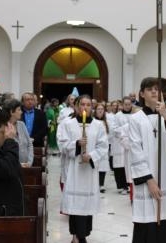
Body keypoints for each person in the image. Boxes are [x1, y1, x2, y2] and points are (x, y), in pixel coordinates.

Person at [129, 77, 166, 243]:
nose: (154, 91)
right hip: (148, 179)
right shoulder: (136, 119)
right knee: (148, 221)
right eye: (149, 89)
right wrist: (149, 180)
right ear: (142, 94)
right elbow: (135, 151)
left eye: (156, 89)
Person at [57, 95, 108, 243]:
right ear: (76, 106)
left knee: (86, 205)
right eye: (82, 104)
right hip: (74, 171)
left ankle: (82, 233)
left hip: (89, 172)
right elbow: (62, 144)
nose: (84, 107)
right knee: (75, 205)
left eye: (87, 105)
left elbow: (103, 146)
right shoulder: (68, 124)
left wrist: (91, 156)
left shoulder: (98, 125)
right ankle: (78, 236)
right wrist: (77, 144)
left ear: (91, 107)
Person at [3, 99, 34, 167]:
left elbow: (29, 144)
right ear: (11, 112)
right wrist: (19, 165)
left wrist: (29, 162)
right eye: (19, 110)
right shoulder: (3, 127)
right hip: (11, 167)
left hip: (26, 167)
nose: (21, 112)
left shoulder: (21, 124)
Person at [112, 97, 133, 195]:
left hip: (131, 143)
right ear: (122, 105)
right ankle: (122, 186)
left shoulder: (134, 115)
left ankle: (130, 185)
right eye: (126, 104)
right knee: (120, 166)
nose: (128, 106)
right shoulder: (117, 116)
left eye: (129, 104)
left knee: (129, 165)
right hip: (120, 144)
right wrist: (126, 129)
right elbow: (114, 129)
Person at [94, 103, 111, 193]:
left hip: (104, 147)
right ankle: (95, 183)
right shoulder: (93, 121)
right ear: (95, 111)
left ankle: (101, 184)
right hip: (95, 147)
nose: (100, 110)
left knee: (103, 166)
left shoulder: (106, 121)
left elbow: (109, 134)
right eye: (98, 109)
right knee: (96, 166)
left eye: (102, 109)